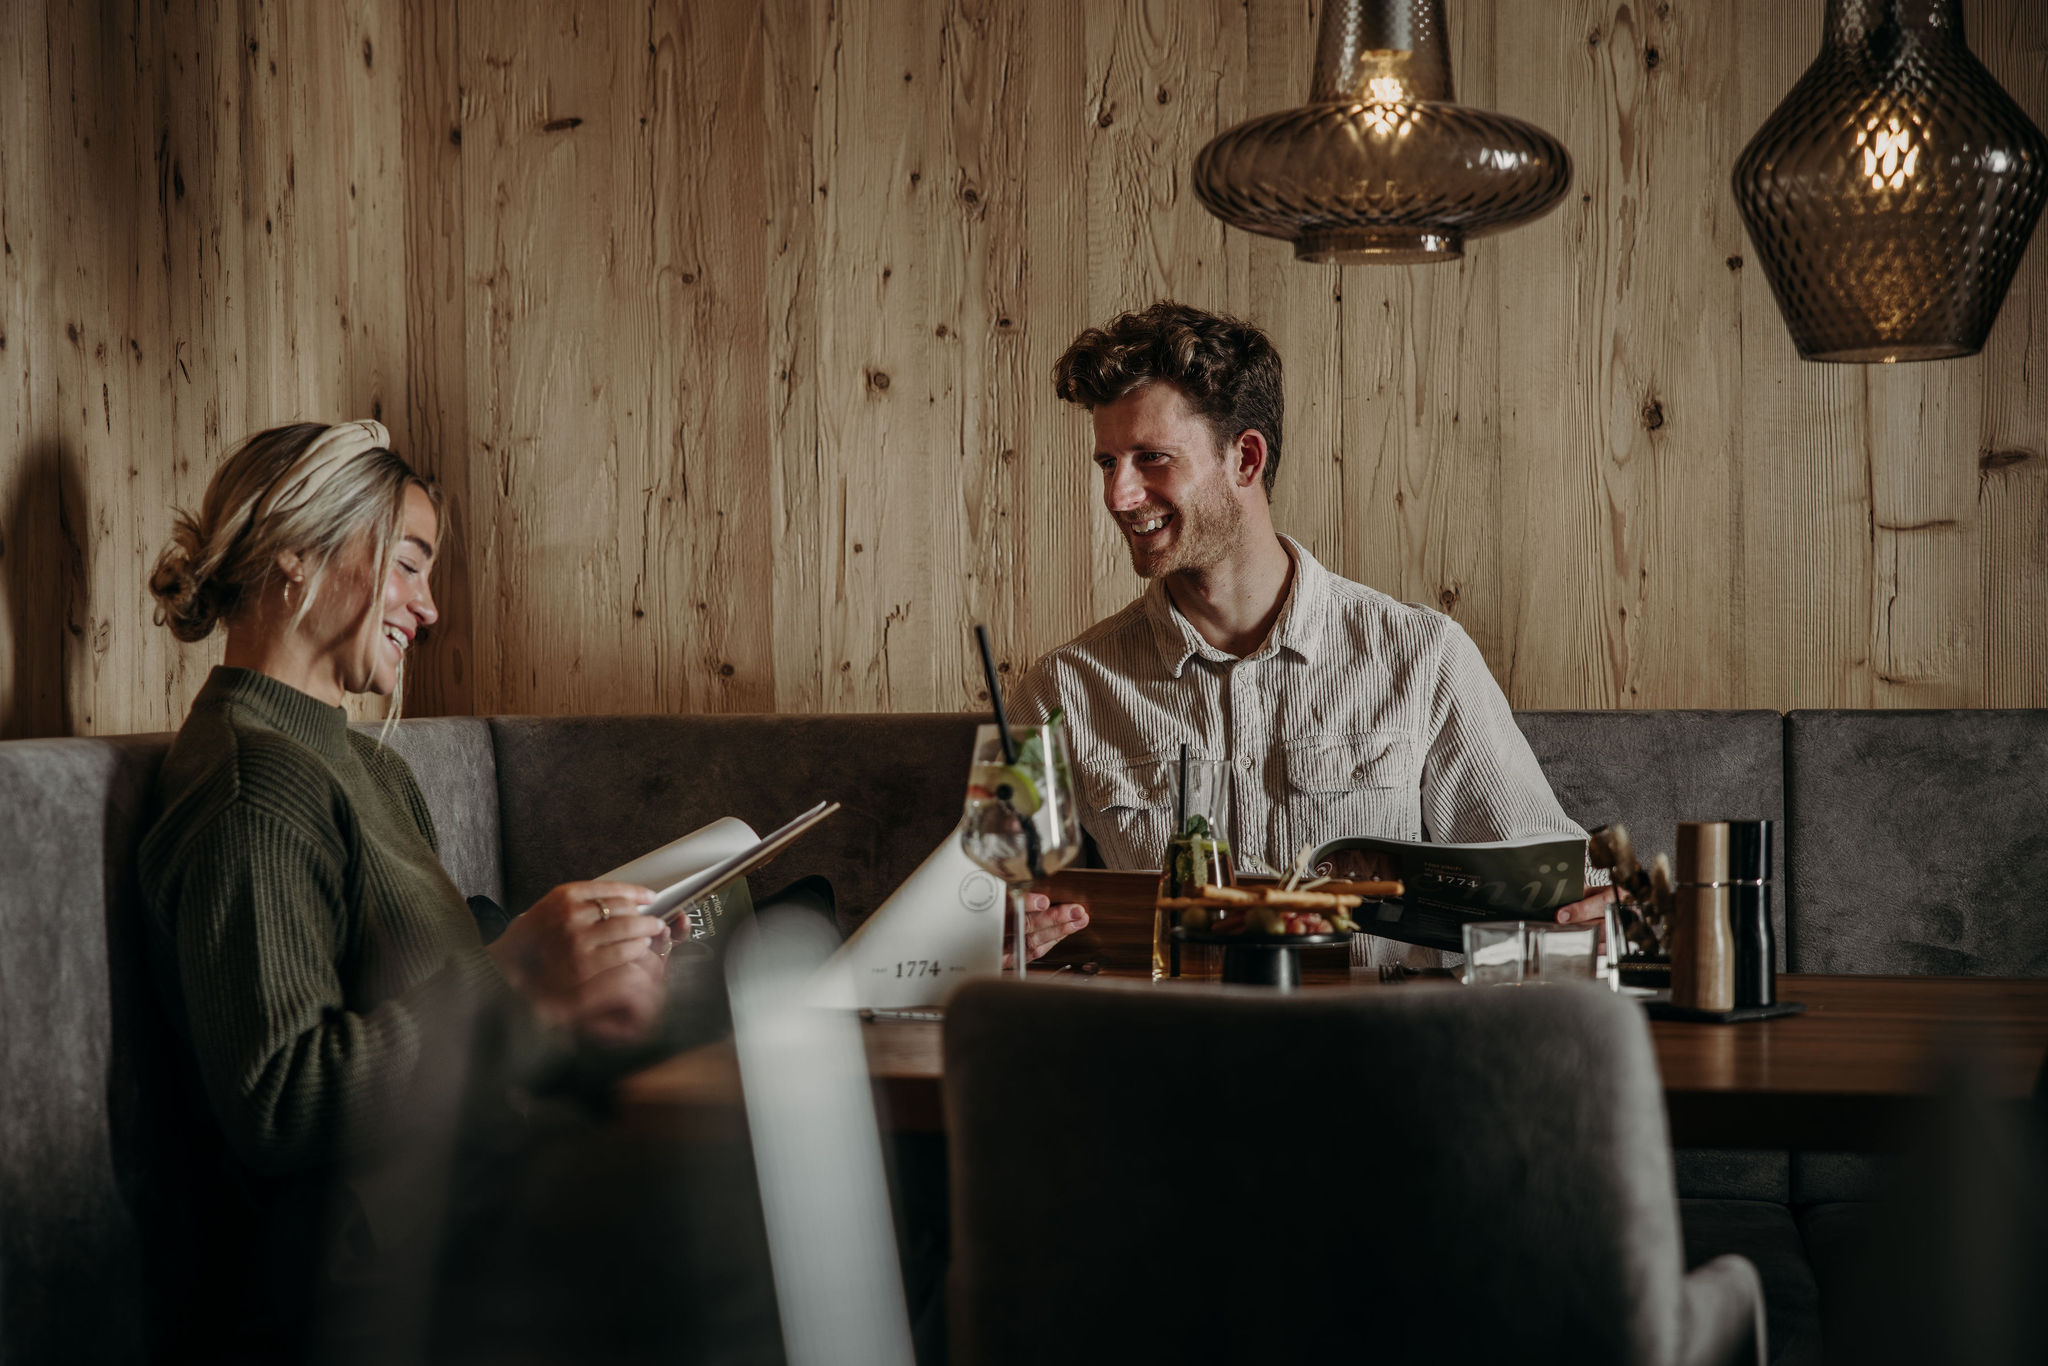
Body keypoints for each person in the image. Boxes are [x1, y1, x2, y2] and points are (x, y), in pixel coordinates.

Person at [137, 420, 687, 1360]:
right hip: (377, 1276)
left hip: (475, 1197)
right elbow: (280, 1101)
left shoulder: (362, 764)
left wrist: (589, 978)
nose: (427, 609)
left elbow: (432, 1003)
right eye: (408, 565)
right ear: (295, 555)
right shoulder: (252, 785)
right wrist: (516, 981)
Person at [1009, 303, 1608, 967]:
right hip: (1171, 1056)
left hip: (1383, 1053)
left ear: (1246, 458)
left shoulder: (1421, 657)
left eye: (1151, 458)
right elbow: (995, 912)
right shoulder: (1057, 692)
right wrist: (1009, 935)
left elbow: (1560, 898)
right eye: (1107, 462)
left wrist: (1598, 914)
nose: (1119, 495)